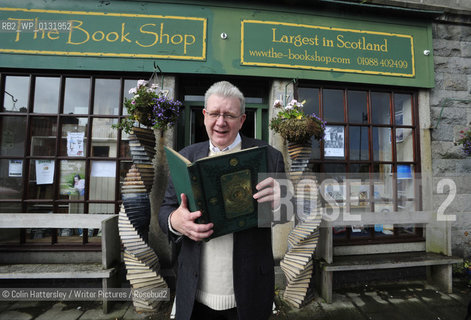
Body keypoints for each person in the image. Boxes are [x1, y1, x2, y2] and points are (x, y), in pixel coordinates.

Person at [159, 81, 286, 320]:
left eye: (229, 114)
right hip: (193, 292)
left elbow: (291, 213)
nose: (221, 122)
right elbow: (165, 209)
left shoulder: (270, 157)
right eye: (215, 113)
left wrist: (282, 202)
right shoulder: (185, 157)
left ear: (242, 119)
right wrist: (175, 221)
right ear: (204, 116)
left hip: (249, 292)